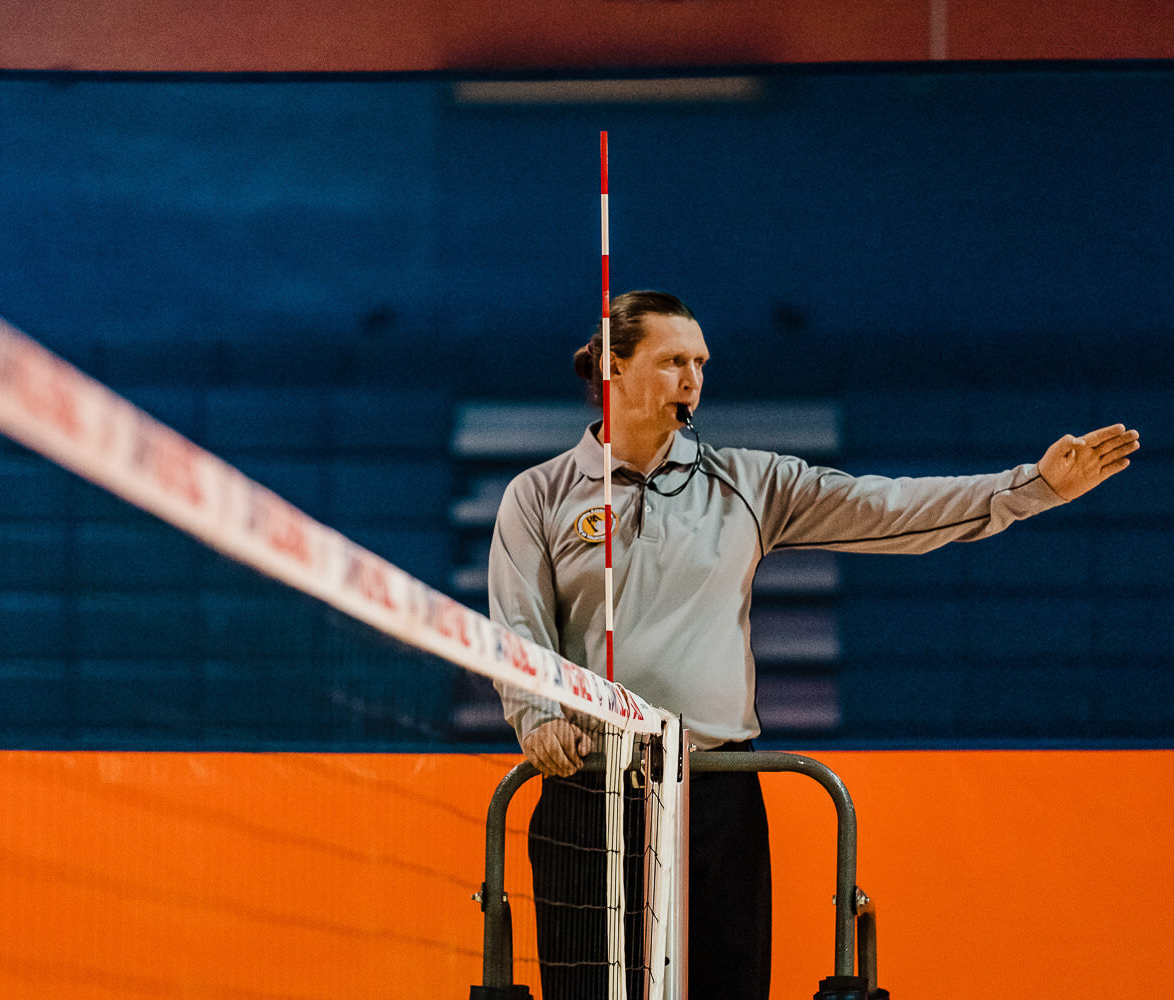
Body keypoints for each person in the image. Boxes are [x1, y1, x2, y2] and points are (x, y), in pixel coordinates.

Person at [488, 290, 1139, 1000]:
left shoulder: (748, 483)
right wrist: (536, 717)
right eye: (673, 360)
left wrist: (1033, 487)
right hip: (588, 784)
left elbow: (885, 506)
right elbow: (516, 628)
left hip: (717, 787)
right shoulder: (540, 494)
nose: (693, 378)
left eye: (700, 362)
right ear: (614, 366)